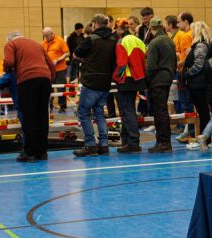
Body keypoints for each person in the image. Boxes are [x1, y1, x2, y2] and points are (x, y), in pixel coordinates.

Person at [5, 32, 55, 162]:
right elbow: (51, 65)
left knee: (29, 116)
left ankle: (29, 153)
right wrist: (49, 80)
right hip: (45, 80)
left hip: (27, 80)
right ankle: (42, 152)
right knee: (42, 116)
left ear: (9, 40)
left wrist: (7, 71)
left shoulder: (11, 44)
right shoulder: (37, 44)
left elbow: (9, 62)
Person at [72, 14, 118, 157]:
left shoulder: (90, 39)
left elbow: (76, 54)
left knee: (83, 112)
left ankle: (90, 144)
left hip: (91, 81)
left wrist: (85, 60)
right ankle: (104, 145)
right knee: (99, 113)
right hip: (106, 82)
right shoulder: (114, 40)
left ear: (96, 24)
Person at [113, 17, 147, 154]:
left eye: (116, 29)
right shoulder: (139, 41)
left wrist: (115, 77)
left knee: (127, 112)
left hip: (125, 80)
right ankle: (127, 141)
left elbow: (121, 64)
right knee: (129, 110)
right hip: (138, 79)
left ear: (121, 29)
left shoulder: (121, 42)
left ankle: (133, 143)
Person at [145, 17, 177, 153]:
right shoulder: (170, 41)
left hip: (157, 80)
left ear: (151, 29)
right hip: (167, 78)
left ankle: (163, 142)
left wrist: (146, 82)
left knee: (160, 112)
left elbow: (151, 67)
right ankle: (164, 141)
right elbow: (175, 62)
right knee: (162, 110)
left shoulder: (154, 43)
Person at [181, 21, 212, 146]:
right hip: (198, 83)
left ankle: (205, 139)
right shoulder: (200, 45)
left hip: (199, 84)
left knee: (203, 113)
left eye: (193, 30)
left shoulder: (200, 46)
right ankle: (205, 138)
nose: (191, 32)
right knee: (203, 112)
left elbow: (198, 65)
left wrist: (187, 73)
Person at [42, 27, 70, 113]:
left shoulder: (60, 41)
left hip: (60, 69)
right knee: (49, 88)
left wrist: (58, 60)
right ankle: (49, 106)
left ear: (52, 33)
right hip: (48, 70)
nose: (46, 38)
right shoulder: (44, 43)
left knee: (60, 88)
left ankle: (62, 107)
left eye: (47, 36)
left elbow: (67, 53)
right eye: (45, 36)